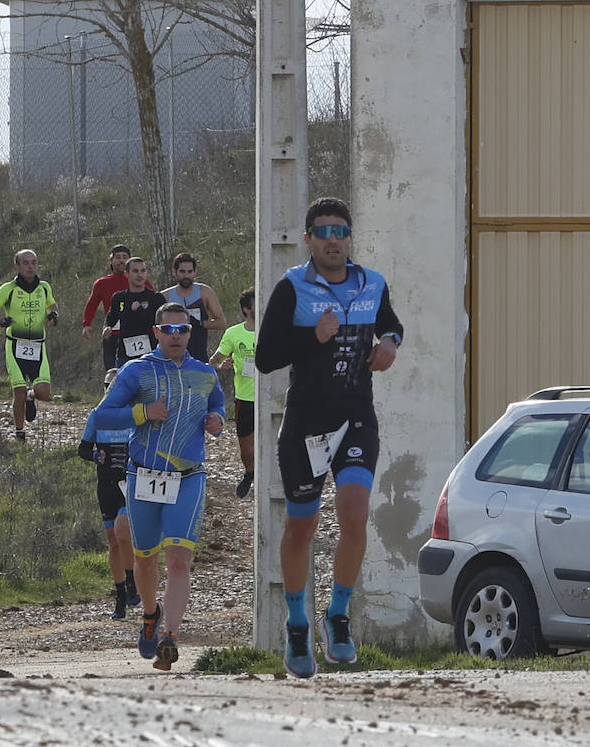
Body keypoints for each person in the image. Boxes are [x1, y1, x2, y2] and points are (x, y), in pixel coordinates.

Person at [254, 196, 404, 679]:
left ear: (350, 237)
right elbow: (265, 356)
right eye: (324, 232)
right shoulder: (293, 287)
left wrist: (388, 343)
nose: (333, 240)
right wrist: (312, 337)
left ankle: (336, 616)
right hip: (306, 422)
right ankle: (297, 624)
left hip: (356, 415)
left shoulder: (371, 283)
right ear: (308, 239)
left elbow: (392, 325)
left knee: (355, 516)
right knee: (302, 527)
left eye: (341, 231)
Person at [92, 303, 225, 671]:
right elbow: (102, 414)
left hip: (188, 476)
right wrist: (143, 413)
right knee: (145, 559)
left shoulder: (204, 373)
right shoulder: (138, 371)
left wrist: (218, 421)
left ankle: (171, 636)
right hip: (144, 477)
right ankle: (151, 614)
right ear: (156, 333)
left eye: (183, 330)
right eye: (169, 330)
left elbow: (217, 405)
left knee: (180, 559)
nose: (177, 336)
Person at [78, 370, 141, 619]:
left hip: (128, 483)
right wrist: (95, 455)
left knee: (123, 531)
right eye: (108, 386)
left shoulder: (133, 414)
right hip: (105, 485)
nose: (111, 391)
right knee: (113, 540)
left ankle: (131, 581)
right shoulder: (97, 415)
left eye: (116, 387)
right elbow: (83, 449)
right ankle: (121, 596)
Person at [0, 249, 58, 442]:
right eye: (25, 263)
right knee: (19, 391)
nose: (30, 266)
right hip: (15, 345)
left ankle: (31, 397)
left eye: (33, 262)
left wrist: (52, 315)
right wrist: (1, 321)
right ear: (17, 266)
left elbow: (52, 305)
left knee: (44, 392)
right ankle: (19, 432)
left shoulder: (44, 287)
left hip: (38, 346)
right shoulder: (8, 289)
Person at [209, 286, 257, 498]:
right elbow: (214, 361)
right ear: (247, 309)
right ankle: (249, 474)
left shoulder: (274, 330)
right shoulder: (234, 333)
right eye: (257, 302)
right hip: (245, 398)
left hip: (272, 399)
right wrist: (222, 366)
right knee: (246, 448)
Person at [82, 244, 154, 371]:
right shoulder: (102, 283)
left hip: (137, 334)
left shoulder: (141, 281)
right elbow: (92, 304)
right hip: (113, 335)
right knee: (113, 372)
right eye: (118, 257)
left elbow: (154, 303)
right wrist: (87, 324)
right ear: (111, 260)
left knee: (142, 370)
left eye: (125, 257)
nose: (121, 260)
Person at [162, 252, 227, 360]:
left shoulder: (205, 292)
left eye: (190, 272)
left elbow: (221, 323)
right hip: (171, 357)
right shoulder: (165, 296)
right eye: (182, 271)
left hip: (198, 356)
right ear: (175, 271)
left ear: (195, 272)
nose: (186, 276)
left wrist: (200, 323)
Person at [104, 257, 167, 368]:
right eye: (135, 271)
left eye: (143, 271)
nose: (140, 275)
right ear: (126, 274)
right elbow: (112, 317)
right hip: (125, 356)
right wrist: (107, 327)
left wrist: (140, 311)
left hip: (152, 356)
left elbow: (163, 323)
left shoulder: (156, 298)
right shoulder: (119, 298)